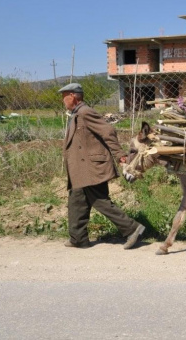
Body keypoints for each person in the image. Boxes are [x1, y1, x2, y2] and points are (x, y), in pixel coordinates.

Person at [59, 82, 145, 249]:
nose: (63, 101)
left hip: (92, 166)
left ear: (73, 97)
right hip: (81, 168)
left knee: (100, 201)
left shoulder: (85, 112)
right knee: (77, 200)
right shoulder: (77, 114)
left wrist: (120, 155)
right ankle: (78, 238)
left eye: (64, 97)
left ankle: (133, 229)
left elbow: (108, 131)